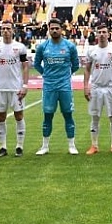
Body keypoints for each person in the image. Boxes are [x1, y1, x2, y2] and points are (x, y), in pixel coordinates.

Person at [33, 18, 80, 155]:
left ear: (61, 29)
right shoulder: (43, 47)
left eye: (56, 28)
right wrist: (45, 74)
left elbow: (76, 65)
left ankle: (72, 145)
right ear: (48, 30)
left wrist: (66, 76)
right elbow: (36, 64)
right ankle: (45, 146)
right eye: (52, 28)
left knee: (68, 114)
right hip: (49, 87)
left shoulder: (70, 46)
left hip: (64, 86)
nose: (54, 30)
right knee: (48, 116)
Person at [0, 20, 29, 157]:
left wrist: (24, 85)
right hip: (0, 88)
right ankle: (3, 147)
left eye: (8, 28)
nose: (6, 31)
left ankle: (19, 146)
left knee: (19, 115)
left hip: (16, 88)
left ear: (13, 31)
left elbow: (25, 66)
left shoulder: (20, 47)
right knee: (0, 117)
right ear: (0, 31)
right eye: (3, 28)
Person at [84, 24, 112, 155]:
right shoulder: (91, 51)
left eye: (104, 32)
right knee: (95, 117)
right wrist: (86, 86)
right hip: (96, 87)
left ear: (108, 34)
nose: (101, 34)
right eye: (99, 32)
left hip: (110, 87)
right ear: (96, 35)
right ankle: (94, 145)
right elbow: (87, 69)